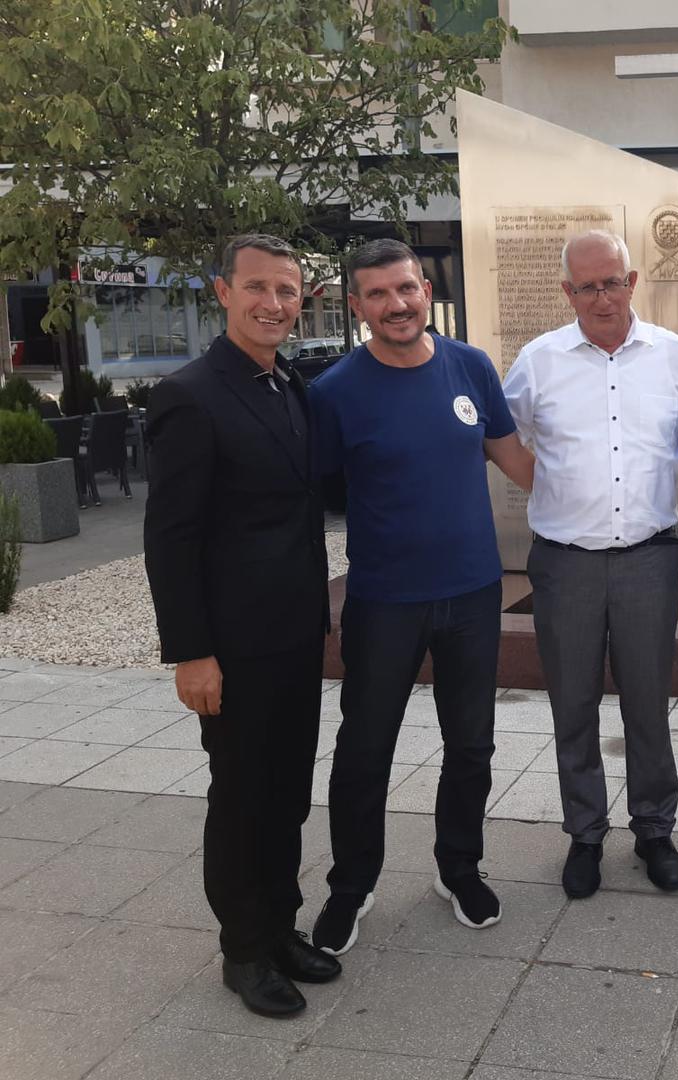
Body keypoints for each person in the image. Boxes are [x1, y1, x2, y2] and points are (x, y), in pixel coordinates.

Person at [308, 239, 534, 954]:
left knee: (471, 744)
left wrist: (613, 498)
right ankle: (351, 886)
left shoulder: (470, 367)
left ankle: (458, 868)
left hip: (473, 593)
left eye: (405, 288)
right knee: (364, 749)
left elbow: (517, 461)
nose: (396, 304)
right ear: (356, 306)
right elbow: (311, 496)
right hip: (385, 600)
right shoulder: (334, 392)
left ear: (426, 292)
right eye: (377, 294)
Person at [144, 234, 337, 1018]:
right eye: (257, 287)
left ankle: (280, 927)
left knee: (287, 793)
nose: (273, 304)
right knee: (243, 798)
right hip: (232, 646)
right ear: (223, 292)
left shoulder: (288, 384)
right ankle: (244, 951)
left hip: (294, 634)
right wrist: (191, 652)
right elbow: (171, 536)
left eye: (287, 291)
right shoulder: (190, 396)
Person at [503, 230, 678, 900]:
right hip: (565, 565)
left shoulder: (676, 357)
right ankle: (586, 834)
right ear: (568, 292)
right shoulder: (539, 361)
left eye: (612, 282)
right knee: (573, 704)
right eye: (587, 286)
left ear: (633, 281)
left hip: (649, 561)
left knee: (648, 703)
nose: (602, 297)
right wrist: (546, 486)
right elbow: (498, 435)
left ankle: (654, 829)